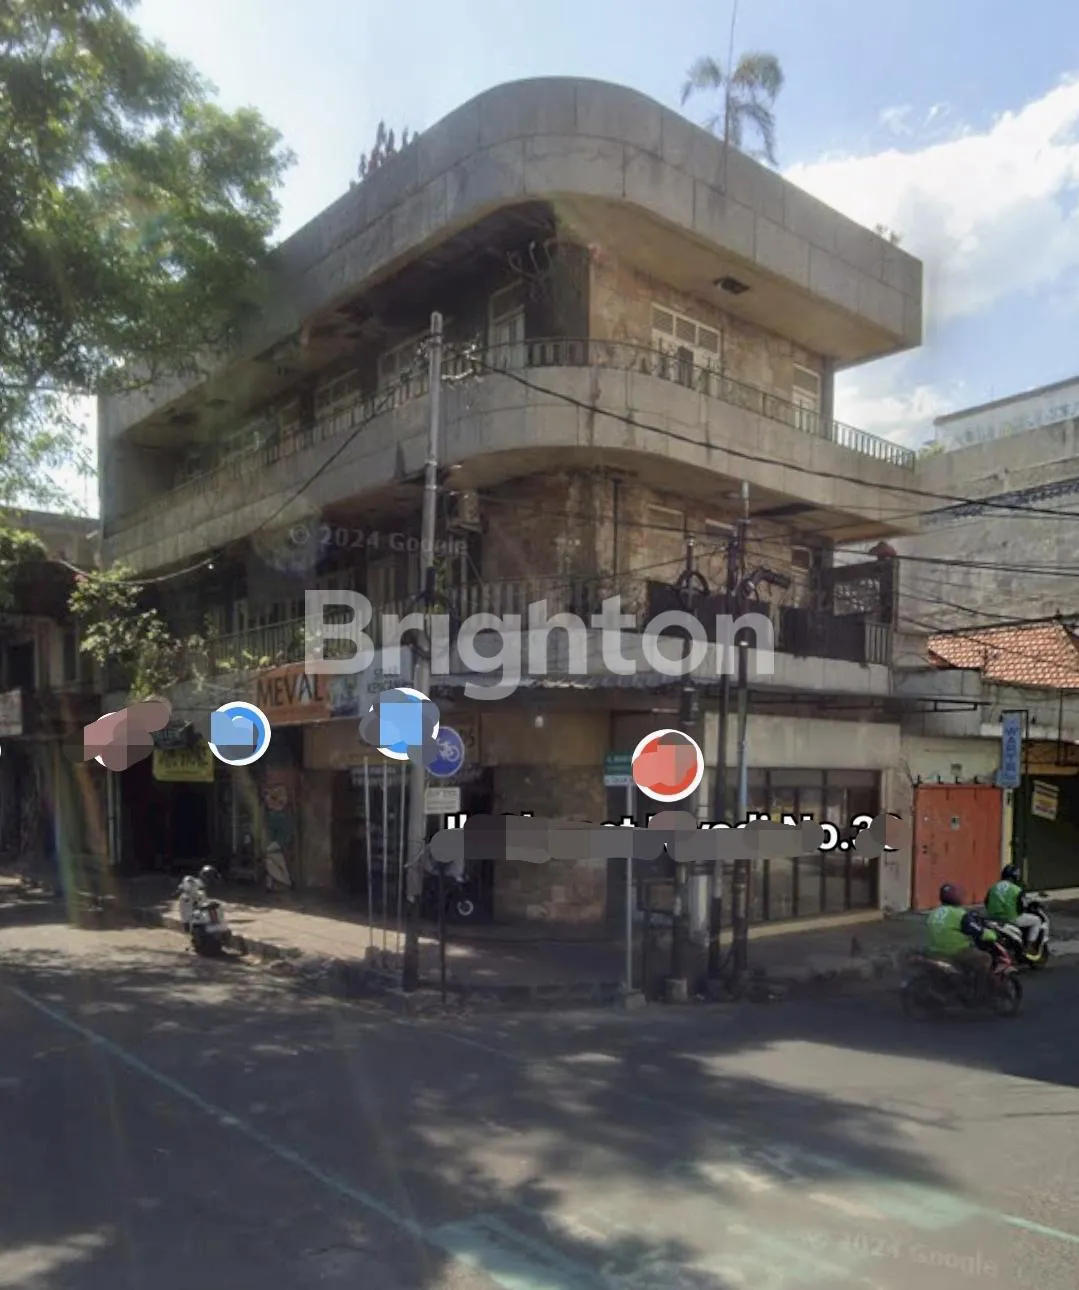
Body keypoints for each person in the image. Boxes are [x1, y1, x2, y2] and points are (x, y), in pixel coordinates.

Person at [925, 882, 1000, 998]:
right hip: (955, 951)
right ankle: (980, 993)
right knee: (985, 958)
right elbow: (978, 931)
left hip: (934, 951)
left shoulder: (933, 913)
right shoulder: (960, 914)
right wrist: (992, 935)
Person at [985, 864, 1042, 948]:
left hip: (992, 918)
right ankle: (1029, 947)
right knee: (1037, 920)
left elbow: (986, 902)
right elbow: (1021, 907)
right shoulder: (1016, 889)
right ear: (1015, 876)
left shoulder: (993, 887)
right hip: (1010, 919)